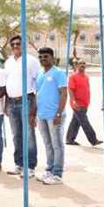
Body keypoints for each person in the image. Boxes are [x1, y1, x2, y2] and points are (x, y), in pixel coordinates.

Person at [4, 35, 39, 178]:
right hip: (12, 102)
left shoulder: (31, 61)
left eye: (18, 43)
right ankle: (19, 164)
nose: (15, 46)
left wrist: (34, 108)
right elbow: (7, 83)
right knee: (16, 135)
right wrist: (6, 103)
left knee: (29, 134)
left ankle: (30, 166)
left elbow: (37, 83)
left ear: (24, 45)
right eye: (12, 44)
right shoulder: (8, 62)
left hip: (27, 100)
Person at [35, 47, 67, 185]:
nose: (43, 59)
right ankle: (49, 170)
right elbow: (38, 94)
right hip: (42, 115)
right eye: (41, 57)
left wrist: (59, 113)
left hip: (54, 115)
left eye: (46, 56)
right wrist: (35, 114)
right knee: (48, 144)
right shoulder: (40, 74)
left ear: (52, 58)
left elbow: (64, 93)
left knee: (57, 145)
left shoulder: (58, 73)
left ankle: (57, 174)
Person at [66, 59, 103, 147]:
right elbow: (70, 89)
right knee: (84, 122)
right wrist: (73, 101)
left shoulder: (86, 77)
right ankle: (93, 140)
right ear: (76, 65)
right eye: (80, 63)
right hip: (77, 104)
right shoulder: (73, 77)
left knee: (75, 122)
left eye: (84, 63)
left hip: (85, 103)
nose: (82, 65)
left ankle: (70, 139)